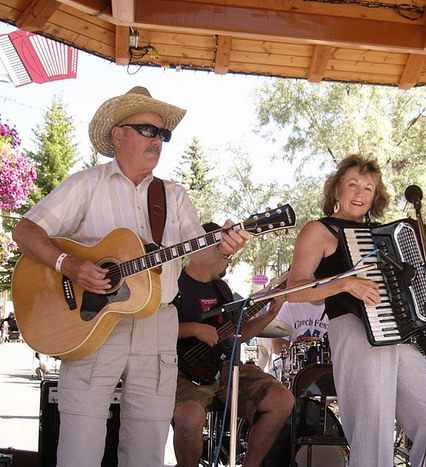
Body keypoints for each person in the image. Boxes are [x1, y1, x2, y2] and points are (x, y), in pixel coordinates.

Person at [11, 86, 250, 467]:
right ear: (117, 135)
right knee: (80, 446)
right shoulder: (86, 184)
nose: (158, 141)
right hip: (89, 325)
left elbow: (199, 265)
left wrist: (224, 247)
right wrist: (69, 266)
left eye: (163, 134)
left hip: (158, 324)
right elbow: (25, 232)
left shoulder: (174, 196)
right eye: (148, 130)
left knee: (147, 450)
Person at [285, 154, 426, 466]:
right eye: (352, 184)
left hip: (399, 334)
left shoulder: (383, 235)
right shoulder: (319, 230)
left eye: (368, 188)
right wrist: (344, 284)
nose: (359, 193)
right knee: (373, 431)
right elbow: (296, 291)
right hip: (353, 329)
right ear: (336, 189)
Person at [172, 222, 295, 467]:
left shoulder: (221, 289)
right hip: (183, 371)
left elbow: (236, 334)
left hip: (224, 365)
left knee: (282, 400)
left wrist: (270, 313)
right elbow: (152, 330)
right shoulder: (173, 285)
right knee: (188, 421)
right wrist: (193, 329)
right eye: (224, 252)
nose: (229, 260)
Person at [269, 300, 328, 381]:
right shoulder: (287, 306)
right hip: (288, 369)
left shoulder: (340, 309)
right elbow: (277, 347)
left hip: (325, 370)